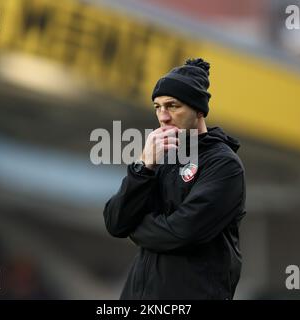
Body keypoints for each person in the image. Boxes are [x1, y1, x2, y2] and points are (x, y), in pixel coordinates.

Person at [103, 58, 246, 300]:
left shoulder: (224, 164)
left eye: (172, 106)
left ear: (199, 110)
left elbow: (182, 232)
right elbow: (115, 222)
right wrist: (143, 166)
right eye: (157, 107)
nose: (163, 116)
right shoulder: (160, 157)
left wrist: (135, 228)